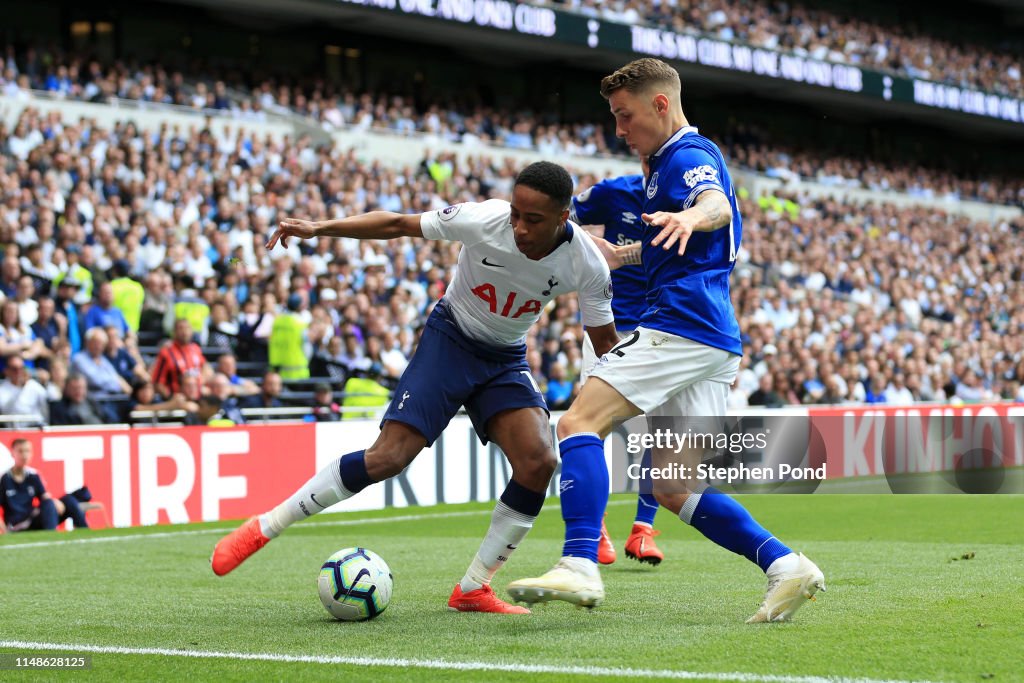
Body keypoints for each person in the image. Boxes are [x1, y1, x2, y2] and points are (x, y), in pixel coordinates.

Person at [212, 161, 619, 616]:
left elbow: (605, 343)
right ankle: (265, 526)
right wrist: (319, 227)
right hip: (450, 340)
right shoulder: (483, 218)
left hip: (504, 358)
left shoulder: (586, 263)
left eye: (534, 219)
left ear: (564, 217)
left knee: (539, 461)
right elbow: (398, 223)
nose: (520, 227)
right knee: (388, 458)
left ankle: (473, 588)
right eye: (515, 213)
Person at [508, 59, 825, 623]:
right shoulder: (661, 166)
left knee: (578, 423)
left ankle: (580, 561)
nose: (619, 129)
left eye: (624, 116)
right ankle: (785, 565)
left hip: (681, 323)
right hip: (714, 335)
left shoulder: (687, 155)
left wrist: (694, 217)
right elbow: (689, 243)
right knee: (675, 487)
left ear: (660, 105)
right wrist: (622, 254)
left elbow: (715, 206)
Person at [571, 157, 665, 566]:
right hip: (607, 325)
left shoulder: (686, 200)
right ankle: (597, 528)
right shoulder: (614, 192)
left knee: (661, 432)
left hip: (662, 329)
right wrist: (592, 248)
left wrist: (623, 254)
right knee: (593, 426)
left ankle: (643, 530)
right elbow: (563, 219)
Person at [1, 438, 88, 532]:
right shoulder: (4, 479)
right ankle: (52, 537)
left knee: (69, 501)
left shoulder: (33, 476)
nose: (24, 455)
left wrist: (54, 501)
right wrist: (5, 530)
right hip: (17, 525)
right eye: (20, 451)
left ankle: (87, 534)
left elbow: (45, 497)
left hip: (33, 519)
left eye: (27, 451)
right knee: (49, 504)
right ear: (12, 453)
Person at [151, 318, 207, 399]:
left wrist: (200, 384)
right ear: (174, 332)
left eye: (187, 328)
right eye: (180, 328)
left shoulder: (196, 349)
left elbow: (206, 369)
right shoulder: (166, 353)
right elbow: (157, 383)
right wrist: (171, 398)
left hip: (197, 397)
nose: (184, 332)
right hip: (177, 399)